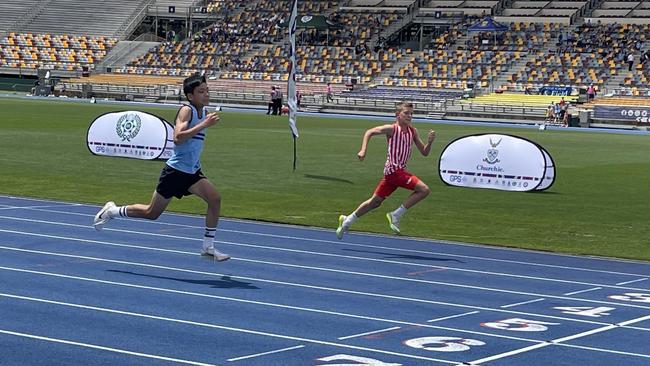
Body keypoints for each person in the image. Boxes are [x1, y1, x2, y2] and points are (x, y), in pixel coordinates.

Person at [93, 74, 230, 261]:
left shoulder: (204, 112)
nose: (206, 94)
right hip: (175, 172)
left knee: (215, 199)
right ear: (190, 96)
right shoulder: (186, 110)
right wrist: (204, 125)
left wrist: (205, 122)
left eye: (207, 90)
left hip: (192, 171)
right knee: (152, 213)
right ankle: (111, 211)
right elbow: (177, 138)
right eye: (201, 91)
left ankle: (208, 246)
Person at [336, 101, 436, 239]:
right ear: (397, 115)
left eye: (411, 114)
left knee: (375, 202)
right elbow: (369, 132)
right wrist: (363, 150)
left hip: (396, 173)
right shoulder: (392, 129)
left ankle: (347, 220)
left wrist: (430, 142)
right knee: (424, 190)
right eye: (406, 113)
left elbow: (424, 152)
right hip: (394, 170)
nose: (409, 116)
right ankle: (395, 215)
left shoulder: (413, 131)